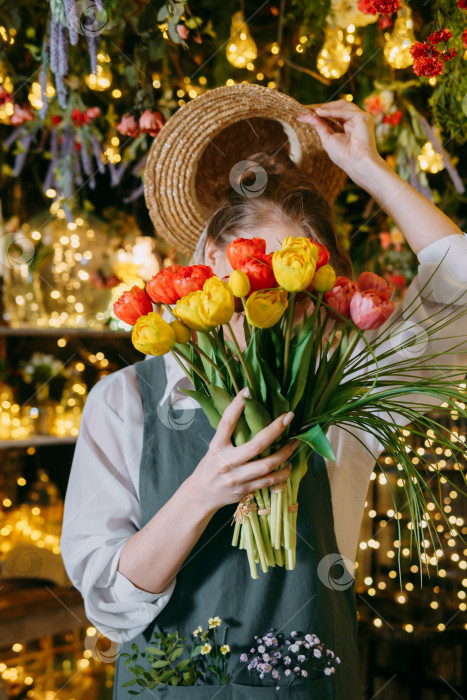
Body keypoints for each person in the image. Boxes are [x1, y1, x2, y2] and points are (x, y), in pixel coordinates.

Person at [61, 91, 467, 700]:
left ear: (321, 283)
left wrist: (369, 171)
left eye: (293, 280)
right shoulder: (126, 402)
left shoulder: (347, 390)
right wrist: (204, 491)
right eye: (254, 274)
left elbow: (460, 302)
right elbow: (109, 606)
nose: (269, 303)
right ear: (208, 265)